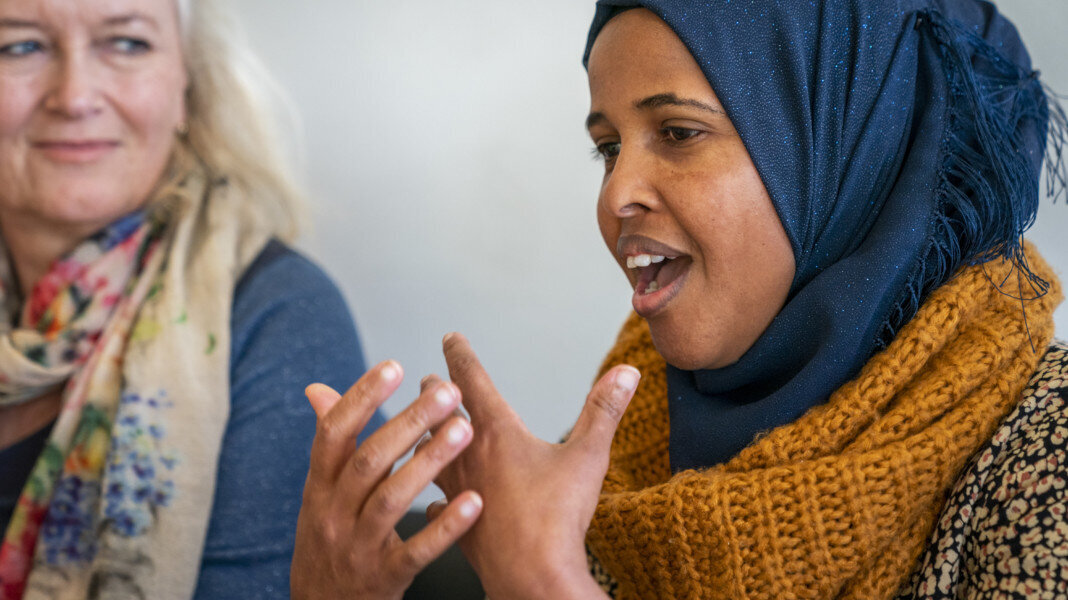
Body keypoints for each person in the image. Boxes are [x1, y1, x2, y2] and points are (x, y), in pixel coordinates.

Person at [292, 0, 1068, 598]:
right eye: (607, 148)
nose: (617, 194)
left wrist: (547, 585)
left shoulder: (1045, 451)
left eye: (678, 132)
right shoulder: (630, 437)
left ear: (854, 154)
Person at [0, 0, 382, 598]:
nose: (74, 96)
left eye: (126, 43)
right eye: (19, 46)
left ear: (186, 86)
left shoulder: (278, 318)